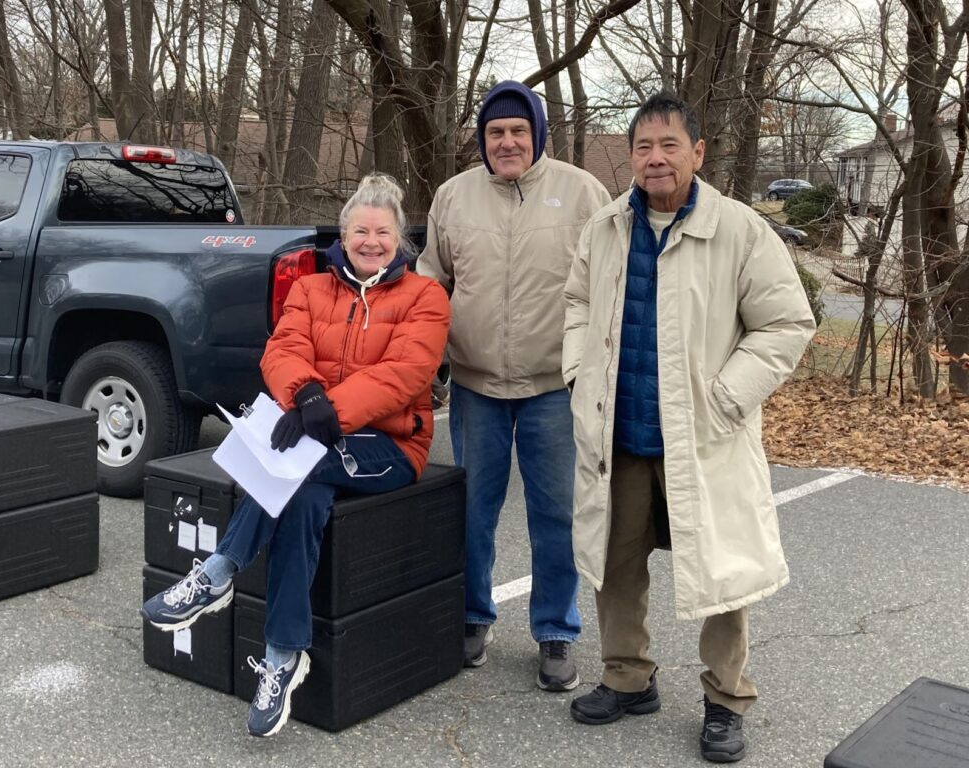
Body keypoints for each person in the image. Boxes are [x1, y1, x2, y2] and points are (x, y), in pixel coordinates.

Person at [141, 174, 450, 738]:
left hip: (390, 445)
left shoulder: (424, 297)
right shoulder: (311, 288)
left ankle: (219, 570)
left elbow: (407, 372)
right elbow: (284, 348)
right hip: (316, 440)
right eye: (361, 230)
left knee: (298, 468)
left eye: (383, 232)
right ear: (346, 233)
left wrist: (325, 412)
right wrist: (305, 394)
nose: (371, 241)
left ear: (398, 237)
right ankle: (283, 658)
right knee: (302, 495)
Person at [562, 92, 816, 763]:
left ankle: (726, 700)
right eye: (643, 146)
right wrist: (577, 380)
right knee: (615, 569)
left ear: (697, 153)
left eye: (669, 145)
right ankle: (626, 677)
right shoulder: (605, 228)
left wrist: (728, 398)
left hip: (703, 439)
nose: (655, 159)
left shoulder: (739, 230)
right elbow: (576, 307)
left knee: (724, 574)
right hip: (621, 436)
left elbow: (787, 324)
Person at [418, 80, 611, 691]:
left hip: (554, 384)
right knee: (472, 511)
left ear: (538, 135)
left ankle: (556, 631)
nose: (506, 142)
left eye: (517, 131)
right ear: (482, 139)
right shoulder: (453, 197)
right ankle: (472, 617)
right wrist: (426, 364)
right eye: (495, 132)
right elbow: (429, 284)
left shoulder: (583, 194)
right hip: (476, 387)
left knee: (555, 514)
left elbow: (611, 285)